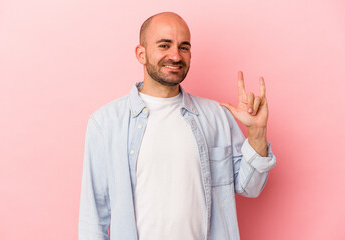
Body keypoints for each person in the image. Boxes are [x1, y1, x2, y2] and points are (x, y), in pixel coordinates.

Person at [78, 12, 276, 240]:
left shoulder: (217, 116)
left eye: (184, 47)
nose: (175, 55)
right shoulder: (105, 123)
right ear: (141, 54)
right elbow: (93, 219)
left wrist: (257, 133)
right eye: (164, 45)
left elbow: (251, 188)